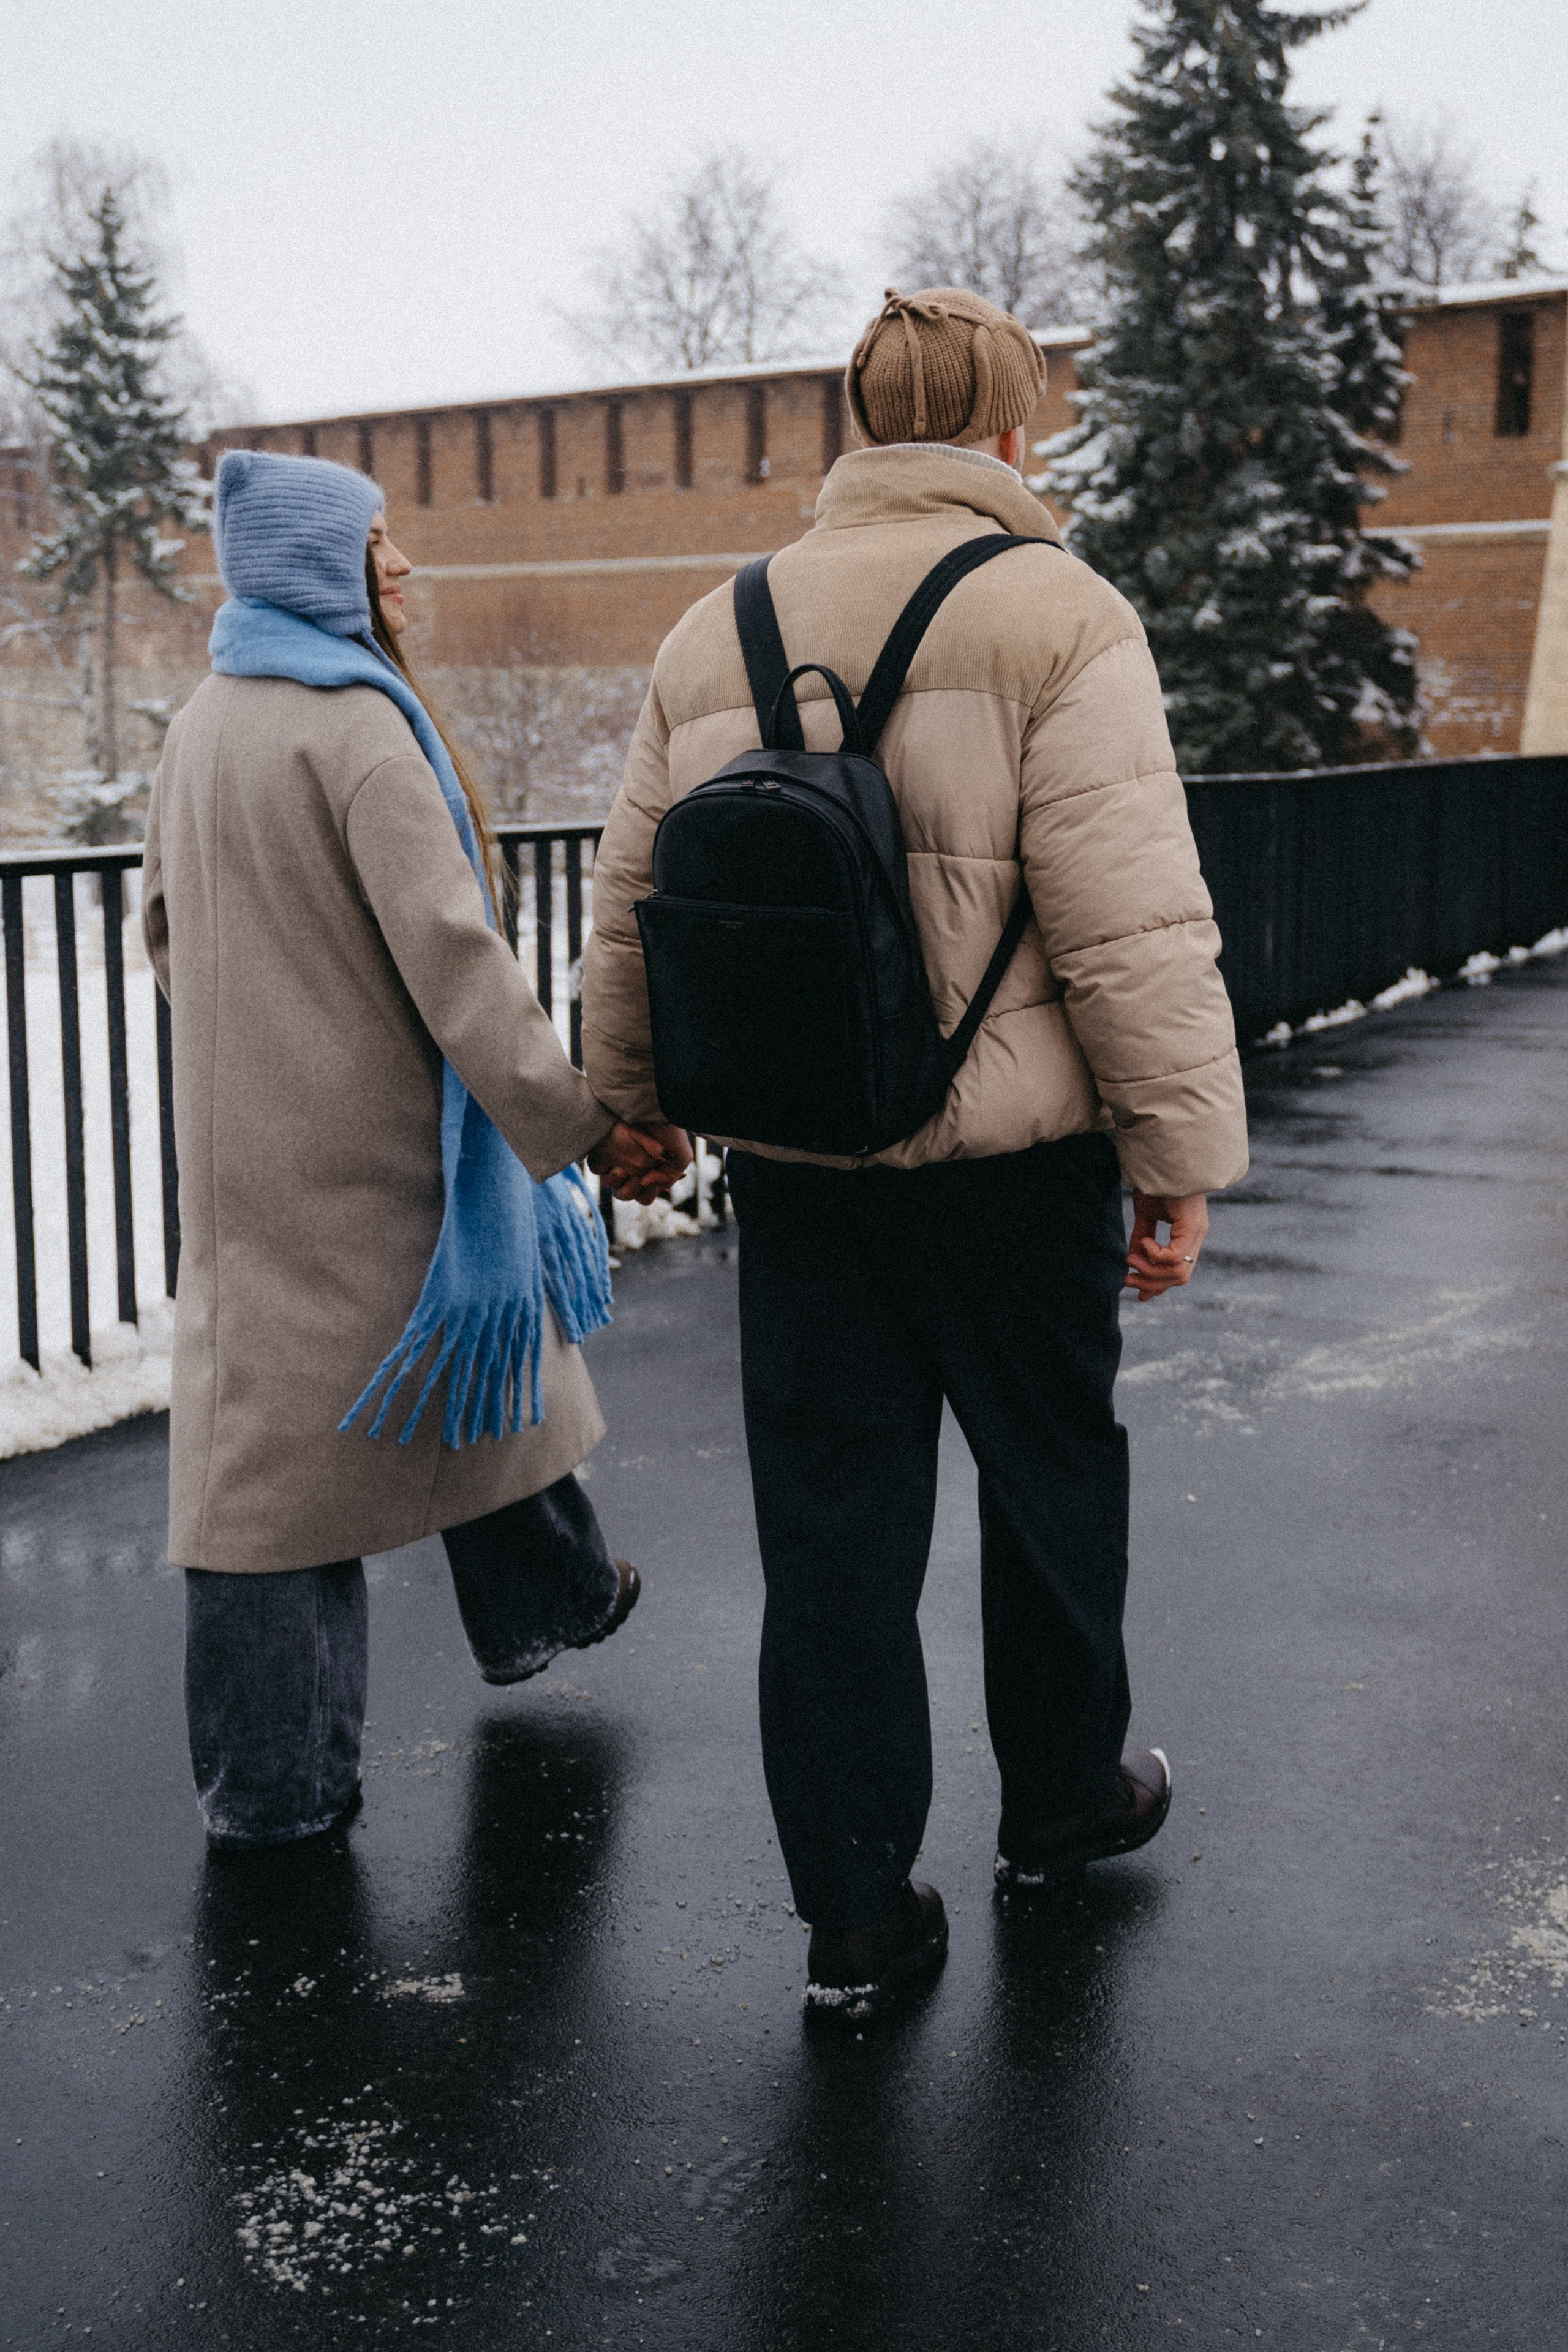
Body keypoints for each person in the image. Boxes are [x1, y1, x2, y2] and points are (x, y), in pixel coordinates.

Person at [580, 288, 1249, 2019]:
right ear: (1013, 429)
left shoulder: (710, 628)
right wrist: (1174, 1157)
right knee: (1048, 1485)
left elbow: (635, 899)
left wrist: (628, 1103)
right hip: (1018, 1168)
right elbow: (1127, 926)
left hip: (802, 1173)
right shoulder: (1058, 614)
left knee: (832, 1541)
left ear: (862, 427)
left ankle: (858, 1915)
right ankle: (1065, 1799)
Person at [144, 448, 689, 1851]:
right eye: (381, 544)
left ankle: (510, 1626)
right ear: (326, 569)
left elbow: (158, 932)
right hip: (368, 1153)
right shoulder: (359, 733)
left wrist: (259, 1022)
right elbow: (461, 973)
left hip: (251, 1154)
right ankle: (281, 1790)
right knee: (331, 1452)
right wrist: (583, 1126)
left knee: (287, 1440)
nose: (404, 566)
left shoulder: (205, 720)